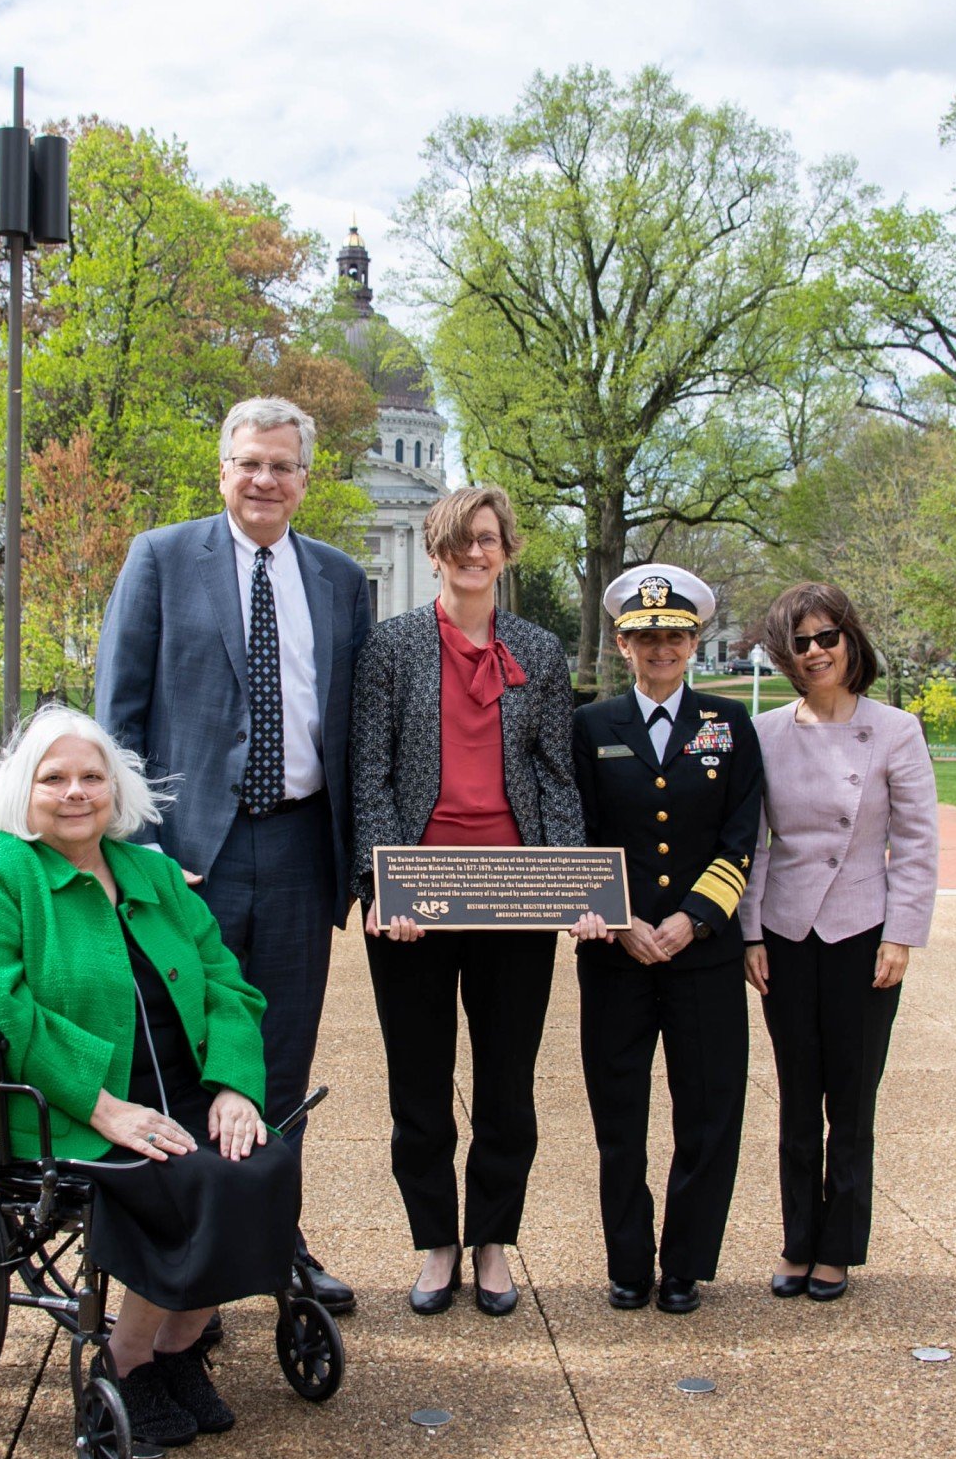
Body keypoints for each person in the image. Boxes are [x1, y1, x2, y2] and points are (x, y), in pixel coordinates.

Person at [0, 704, 298, 1447]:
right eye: (53, 778)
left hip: (182, 1090)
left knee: (262, 1164)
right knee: (189, 1177)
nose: (74, 792)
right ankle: (125, 1359)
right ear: (23, 792)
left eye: (91, 777)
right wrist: (100, 1107)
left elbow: (229, 985)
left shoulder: (150, 872)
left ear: (115, 788)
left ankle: (176, 1343)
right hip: (53, 1101)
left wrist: (233, 1085)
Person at [96, 395, 371, 1316]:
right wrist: (138, 853)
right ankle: (176, 1258)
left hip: (300, 846)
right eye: (250, 463)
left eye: (283, 466)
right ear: (223, 469)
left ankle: (274, 1242)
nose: (266, 480)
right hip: (185, 858)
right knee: (180, 1054)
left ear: (304, 478)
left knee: (281, 1059)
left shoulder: (339, 580)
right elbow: (117, 722)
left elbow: (357, 733)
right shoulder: (163, 560)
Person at [350, 485, 587, 1317]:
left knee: (506, 1083)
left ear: (506, 550)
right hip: (416, 897)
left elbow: (557, 777)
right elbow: (369, 776)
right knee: (418, 1083)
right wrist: (382, 884)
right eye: (459, 541)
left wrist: (575, 886)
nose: (474, 554)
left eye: (487, 540)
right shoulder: (391, 648)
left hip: (515, 894)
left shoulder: (539, 650)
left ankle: (492, 1241)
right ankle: (434, 1244)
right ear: (435, 549)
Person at [570, 565, 765, 1314]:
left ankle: (684, 1263)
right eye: (646, 635)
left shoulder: (727, 725)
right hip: (616, 958)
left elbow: (740, 838)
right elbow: (579, 833)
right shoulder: (590, 727)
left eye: (675, 635)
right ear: (623, 643)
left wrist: (691, 920)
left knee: (707, 1114)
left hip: (702, 955)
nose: (662, 648)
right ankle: (627, 1262)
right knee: (619, 1119)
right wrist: (619, 922)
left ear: (694, 641)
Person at [739, 582, 938, 1302]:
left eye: (829, 636)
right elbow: (755, 845)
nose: (817, 651)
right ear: (784, 655)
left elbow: (916, 843)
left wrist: (903, 935)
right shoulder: (763, 734)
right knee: (797, 1099)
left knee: (851, 1102)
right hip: (787, 936)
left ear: (851, 641)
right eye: (802, 642)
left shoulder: (896, 730)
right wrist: (751, 932)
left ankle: (839, 1247)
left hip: (864, 935)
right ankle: (798, 1241)